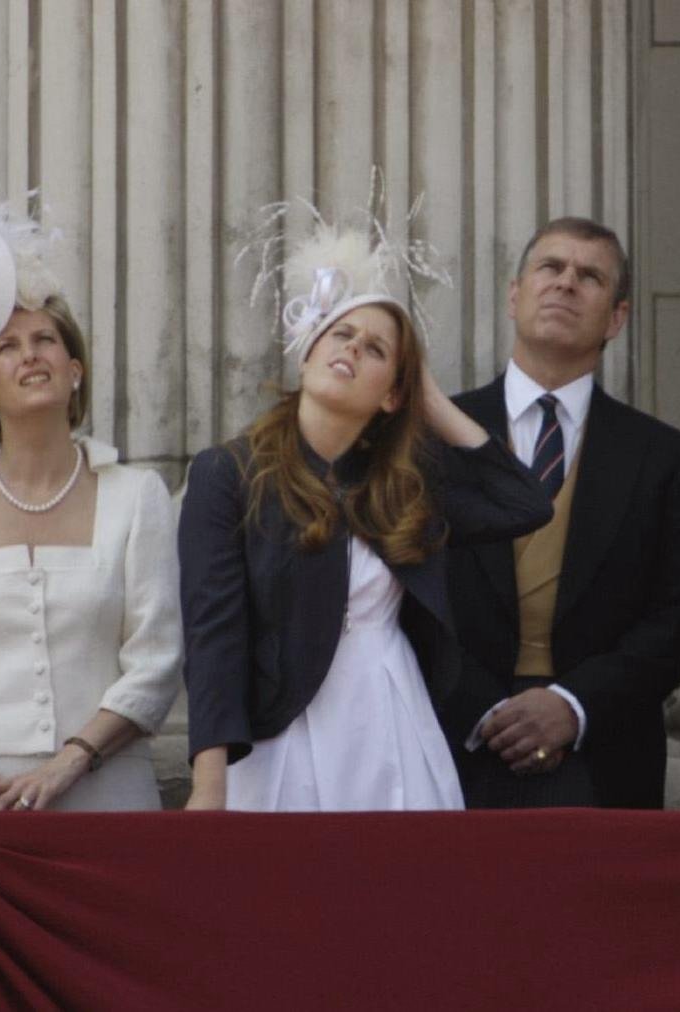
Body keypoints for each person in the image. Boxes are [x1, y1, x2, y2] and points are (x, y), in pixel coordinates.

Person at [180, 213, 552, 811]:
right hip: (282, 730)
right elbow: (214, 634)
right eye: (340, 333)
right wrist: (210, 784)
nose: (352, 347)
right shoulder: (228, 473)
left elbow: (524, 504)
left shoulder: (404, 485)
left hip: (390, 723)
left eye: (375, 348)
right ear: (306, 354)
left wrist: (431, 401)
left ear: (392, 394)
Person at [0, 203, 182, 812]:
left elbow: (156, 657)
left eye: (45, 339)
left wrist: (70, 763)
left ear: (74, 372)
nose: (31, 354)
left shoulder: (137, 495)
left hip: (107, 789)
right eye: (7, 346)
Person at [444, 217, 680, 809]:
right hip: (449, 749)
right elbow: (407, 602)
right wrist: (482, 710)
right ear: (515, 297)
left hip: (605, 760)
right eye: (550, 267)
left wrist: (573, 705)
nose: (566, 283)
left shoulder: (667, 459)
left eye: (589, 276)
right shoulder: (432, 437)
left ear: (616, 317)